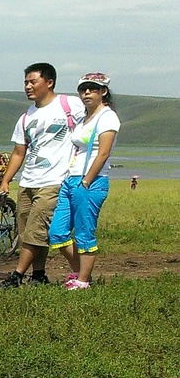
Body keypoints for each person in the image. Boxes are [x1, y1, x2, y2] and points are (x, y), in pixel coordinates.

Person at [0, 63, 84, 288]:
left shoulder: (70, 105)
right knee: (27, 232)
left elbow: (95, 122)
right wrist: (6, 180)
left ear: (49, 82)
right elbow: (18, 152)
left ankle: (16, 276)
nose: (28, 86)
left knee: (36, 229)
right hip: (28, 181)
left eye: (33, 81)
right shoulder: (26, 117)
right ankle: (39, 274)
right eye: (25, 82)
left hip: (55, 180)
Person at [50, 73, 119, 290]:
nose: (87, 93)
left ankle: (82, 281)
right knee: (57, 232)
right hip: (71, 179)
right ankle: (80, 271)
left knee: (84, 232)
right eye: (83, 89)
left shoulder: (107, 117)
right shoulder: (83, 118)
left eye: (92, 88)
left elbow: (103, 153)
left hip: (92, 180)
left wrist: (87, 180)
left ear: (103, 91)